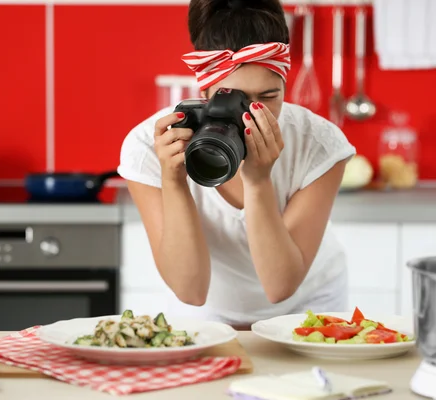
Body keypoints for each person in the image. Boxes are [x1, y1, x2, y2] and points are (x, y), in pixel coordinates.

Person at [117, 0, 356, 329]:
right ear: (204, 91)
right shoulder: (150, 145)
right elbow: (190, 290)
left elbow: (280, 286)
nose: (253, 113)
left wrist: (258, 181)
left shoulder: (320, 144)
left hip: (308, 306)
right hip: (208, 310)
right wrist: (173, 180)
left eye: (269, 97)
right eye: (233, 97)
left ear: (286, 87)